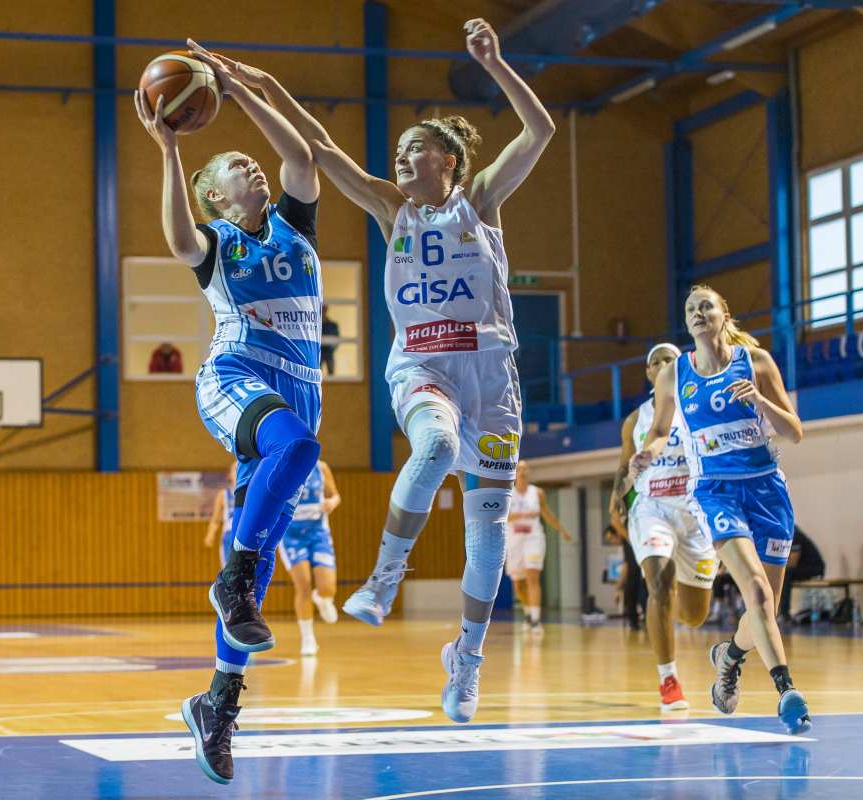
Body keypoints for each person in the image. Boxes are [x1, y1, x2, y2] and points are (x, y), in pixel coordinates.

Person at [189, 15, 554, 725]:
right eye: (399, 150)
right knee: (435, 445)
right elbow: (318, 149)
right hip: (423, 366)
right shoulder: (392, 209)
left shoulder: (480, 201)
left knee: (485, 542)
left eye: (416, 148)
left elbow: (538, 130)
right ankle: (385, 579)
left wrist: (495, 63)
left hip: (491, 377)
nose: (402, 157)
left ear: (449, 160)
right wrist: (256, 84)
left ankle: (467, 660)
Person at [135, 50, 323, 785]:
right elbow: (179, 238)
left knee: (265, 553)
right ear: (216, 196)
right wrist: (169, 150)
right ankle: (233, 574)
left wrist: (243, 90)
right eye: (238, 167)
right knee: (296, 452)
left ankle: (218, 701)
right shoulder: (218, 242)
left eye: (253, 161)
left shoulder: (296, 227)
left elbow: (301, 157)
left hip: (298, 388)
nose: (255, 166)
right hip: (235, 377)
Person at [631, 284, 811, 734]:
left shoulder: (757, 362)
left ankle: (728, 658)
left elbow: (794, 432)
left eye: (705, 306)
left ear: (723, 316)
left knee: (765, 608)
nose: (697, 313)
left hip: (768, 491)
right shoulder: (675, 375)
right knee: (755, 591)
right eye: (690, 308)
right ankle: (786, 690)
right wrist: (647, 453)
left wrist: (760, 401)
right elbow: (659, 430)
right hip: (715, 491)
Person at [611, 343, 718, 712]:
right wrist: (617, 494)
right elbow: (625, 464)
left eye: (668, 359)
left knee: (694, 615)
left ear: (680, 366)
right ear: (648, 373)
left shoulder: (698, 406)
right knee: (658, 580)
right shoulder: (636, 419)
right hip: (652, 507)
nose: (660, 364)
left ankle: (667, 607)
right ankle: (668, 679)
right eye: (654, 361)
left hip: (695, 511)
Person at [277, 459, 341, 655]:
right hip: (290, 535)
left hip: (318, 533)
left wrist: (332, 502)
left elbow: (335, 495)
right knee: (303, 585)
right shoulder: (280, 466)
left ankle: (322, 599)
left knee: (327, 588)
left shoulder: (321, 467)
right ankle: (308, 638)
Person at [506, 460, 573, 634]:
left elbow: (547, 514)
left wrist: (562, 531)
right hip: (514, 540)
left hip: (533, 539)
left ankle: (536, 620)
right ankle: (528, 612)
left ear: (529, 473)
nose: (522, 472)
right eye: (519, 469)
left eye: (525, 469)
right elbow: (503, 517)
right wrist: (523, 514)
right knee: (518, 585)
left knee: (532, 577)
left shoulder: (537, 493)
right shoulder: (508, 493)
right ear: (514, 473)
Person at [781, 526, 825, 621]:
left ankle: (784, 613)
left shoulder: (795, 534)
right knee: (781, 574)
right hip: (802, 567)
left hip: (814, 568)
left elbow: (792, 563)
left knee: (785, 574)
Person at [203, 463, 238, 567]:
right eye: (235, 470)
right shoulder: (223, 494)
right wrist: (211, 534)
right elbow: (215, 519)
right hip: (229, 534)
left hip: (246, 533)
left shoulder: (251, 493)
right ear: (230, 475)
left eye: (240, 469)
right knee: (228, 569)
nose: (238, 472)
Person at [320, 305, 340, 376]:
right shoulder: (316, 325)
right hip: (319, 353)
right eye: (321, 310)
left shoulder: (332, 325)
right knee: (318, 374)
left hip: (329, 352)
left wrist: (331, 349)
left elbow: (336, 339)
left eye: (324, 310)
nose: (323, 312)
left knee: (331, 374)